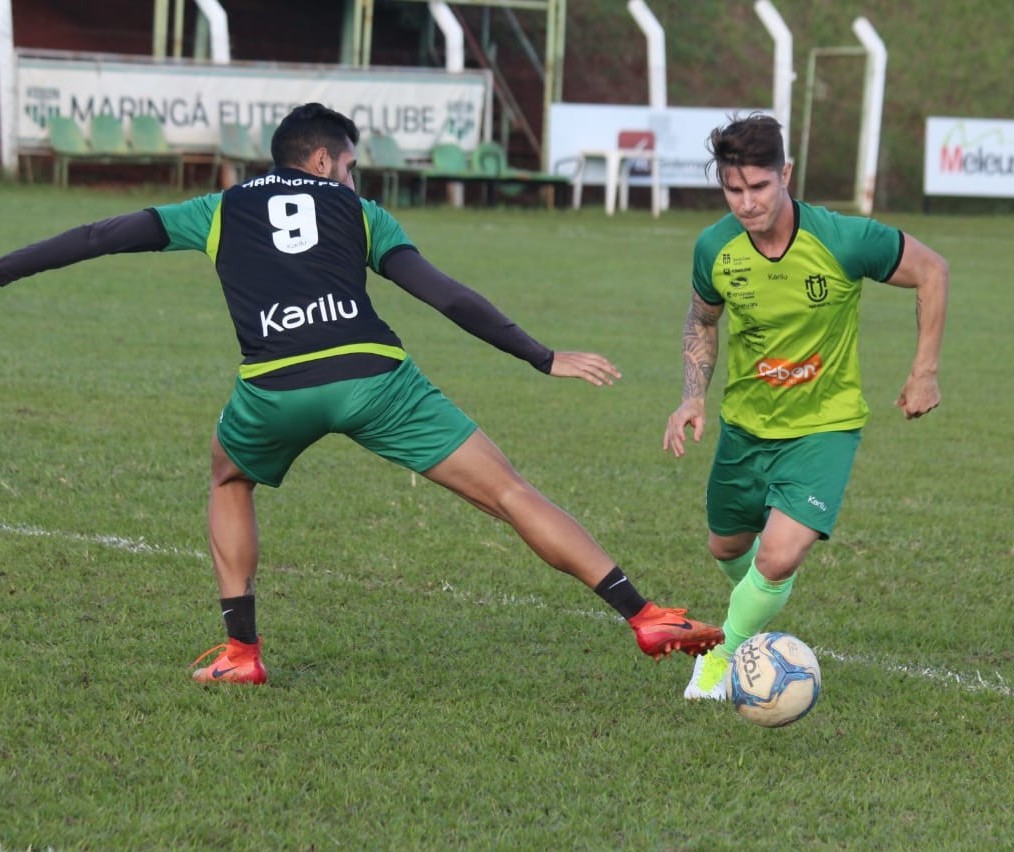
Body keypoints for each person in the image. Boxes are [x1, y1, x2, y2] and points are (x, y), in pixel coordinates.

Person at [0, 103, 722, 684]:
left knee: (229, 474)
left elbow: (98, 235)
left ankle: (241, 653)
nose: (353, 176)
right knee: (508, 490)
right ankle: (643, 613)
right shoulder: (362, 215)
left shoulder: (217, 209)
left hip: (274, 386)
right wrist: (540, 356)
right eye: (350, 164)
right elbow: (445, 295)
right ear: (321, 160)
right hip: (376, 380)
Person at [664, 113, 948, 701]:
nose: (746, 203)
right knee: (727, 547)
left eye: (759, 187)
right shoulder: (715, 247)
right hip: (746, 426)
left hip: (825, 426)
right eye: (733, 190)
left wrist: (924, 372)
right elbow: (703, 318)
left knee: (778, 556)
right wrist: (692, 396)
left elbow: (931, 270)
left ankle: (721, 655)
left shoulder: (843, 240)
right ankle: (756, 617)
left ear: (785, 174)